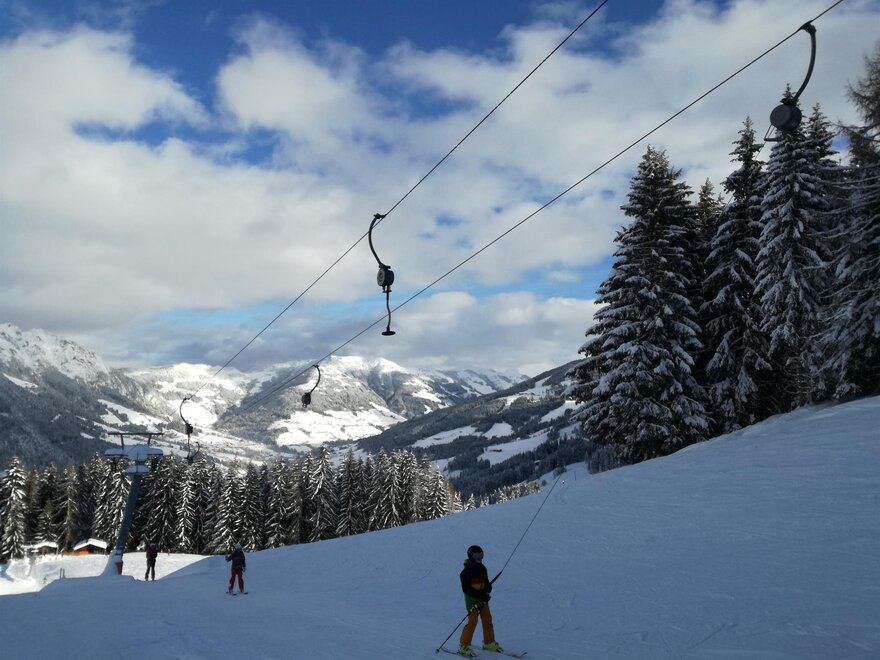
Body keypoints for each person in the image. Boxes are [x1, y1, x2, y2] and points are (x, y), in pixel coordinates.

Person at [458, 545, 503, 657]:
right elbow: (467, 589)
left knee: (487, 618)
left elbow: (486, 582)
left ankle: (489, 642)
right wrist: (481, 595)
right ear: (471, 556)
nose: (480, 558)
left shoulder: (482, 568)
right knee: (473, 621)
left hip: (482, 598)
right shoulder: (465, 572)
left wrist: (488, 588)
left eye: (481, 555)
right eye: (477, 556)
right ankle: (464, 645)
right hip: (472, 600)